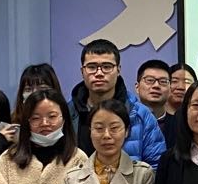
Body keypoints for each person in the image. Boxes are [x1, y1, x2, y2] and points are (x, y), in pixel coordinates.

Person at [69, 38, 167, 168]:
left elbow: (157, 167)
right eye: (92, 67)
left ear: (118, 70)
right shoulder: (67, 113)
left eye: (107, 67)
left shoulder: (141, 115)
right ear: (82, 71)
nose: (99, 73)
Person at [134, 58, 172, 123]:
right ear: (137, 87)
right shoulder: (125, 122)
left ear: (170, 89)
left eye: (163, 81)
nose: (156, 86)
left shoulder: (179, 124)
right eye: (150, 80)